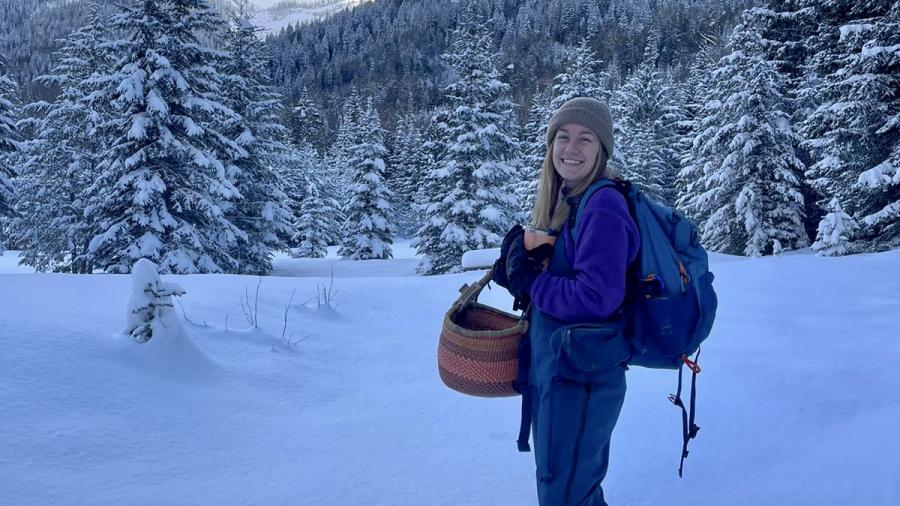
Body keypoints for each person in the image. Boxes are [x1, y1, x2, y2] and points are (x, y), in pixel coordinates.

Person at [493, 97, 640, 505]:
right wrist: (520, 273)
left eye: (585, 139)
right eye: (562, 136)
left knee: (568, 492)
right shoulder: (571, 203)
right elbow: (567, 281)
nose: (571, 148)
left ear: (601, 149)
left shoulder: (603, 205)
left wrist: (531, 282)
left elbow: (596, 296)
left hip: (582, 377)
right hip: (561, 370)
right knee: (564, 486)